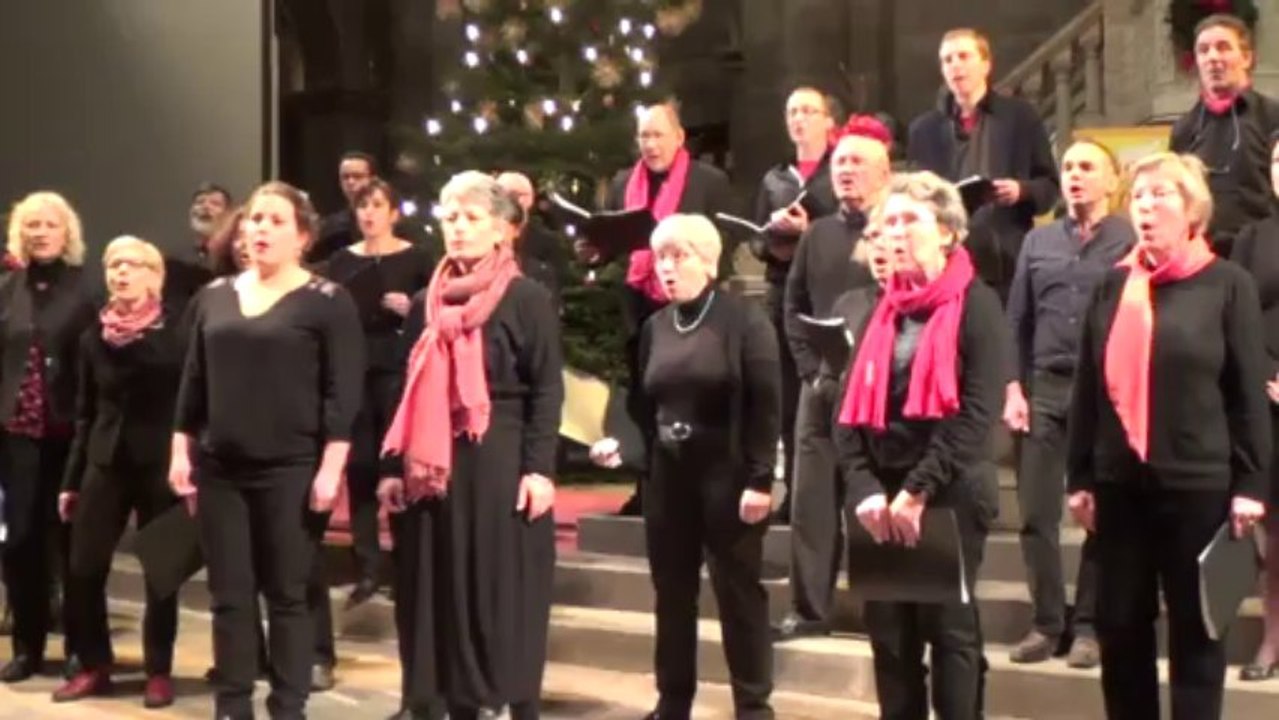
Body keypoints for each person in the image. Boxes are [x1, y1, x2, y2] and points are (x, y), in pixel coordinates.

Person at [1067, 152, 1270, 719]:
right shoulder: (1111, 288)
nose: (1147, 206)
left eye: (1162, 196)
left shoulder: (1227, 284)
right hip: (1120, 485)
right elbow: (1088, 388)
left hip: (1199, 486)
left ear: (1192, 210)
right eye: (1139, 197)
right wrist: (1079, 475)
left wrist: (1251, 482)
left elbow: (1247, 393)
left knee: (1197, 635)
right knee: (1122, 629)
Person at [170, 181, 364, 719]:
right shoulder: (215, 296)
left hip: (292, 470)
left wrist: (332, 468)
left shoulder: (327, 301)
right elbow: (194, 380)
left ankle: (287, 706)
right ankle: (232, 707)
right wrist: (180, 450)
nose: (260, 229)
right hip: (220, 471)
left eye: (276, 221)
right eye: (255, 219)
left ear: (303, 236)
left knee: (287, 595)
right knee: (229, 598)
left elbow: (342, 393)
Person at [378, 171, 563, 720]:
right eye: (450, 217)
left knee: (495, 586)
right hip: (433, 463)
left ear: (502, 230)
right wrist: (391, 466)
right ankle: (442, 699)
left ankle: (500, 697)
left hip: (499, 456)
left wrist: (538, 470)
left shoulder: (527, 298)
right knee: (435, 584)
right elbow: (403, 387)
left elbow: (547, 388)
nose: (457, 228)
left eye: (471, 218)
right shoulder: (423, 304)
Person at [590, 213, 779, 720]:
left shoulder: (743, 320)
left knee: (738, 596)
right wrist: (623, 447)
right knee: (672, 596)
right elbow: (642, 405)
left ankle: (753, 706)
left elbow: (766, 402)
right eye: (662, 258)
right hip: (668, 479)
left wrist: (761, 477)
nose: (668, 269)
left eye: (680, 256)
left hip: (729, 475)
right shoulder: (655, 327)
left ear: (708, 260)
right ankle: (673, 702)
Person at [833, 171, 1005, 720]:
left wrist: (918, 489)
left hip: (947, 491)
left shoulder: (977, 304)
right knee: (889, 639)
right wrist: (862, 486)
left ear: (948, 232)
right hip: (880, 499)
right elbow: (846, 413)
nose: (895, 233)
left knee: (950, 633)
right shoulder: (880, 311)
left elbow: (977, 413)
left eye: (910, 220)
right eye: (888, 223)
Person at [1002, 139, 1136, 668]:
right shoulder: (1038, 244)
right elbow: (1017, 320)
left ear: (1111, 178)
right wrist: (1014, 387)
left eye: (1087, 167)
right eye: (1068, 167)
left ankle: (1088, 626)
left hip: (1105, 394)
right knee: (1036, 514)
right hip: (1046, 388)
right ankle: (1047, 622)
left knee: (1098, 512)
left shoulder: (1129, 238)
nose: (1075, 176)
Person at [583, 102, 734, 516]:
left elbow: (727, 242)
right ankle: (648, 486)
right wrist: (594, 252)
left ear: (679, 137)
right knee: (643, 393)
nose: (650, 144)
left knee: (691, 392)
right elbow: (612, 244)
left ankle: (695, 488)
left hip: (694, 305)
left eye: (658, 135)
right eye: (643, 136)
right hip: (640, 302)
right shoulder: (621, 183)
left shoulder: (708, 181)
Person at [51, 237, 182, 708]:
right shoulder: (92, 337)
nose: (120, 273)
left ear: (153, 275)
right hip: (104, 460)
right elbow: (85, 414)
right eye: (113, 265)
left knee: (159, 572)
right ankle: (94, 664)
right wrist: (70, 480)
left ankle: (159, 670)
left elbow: (189, 404)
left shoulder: (175, 331)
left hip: (159, 461)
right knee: (83, 567)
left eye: (131, 265)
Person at [773, 115, 888, 642]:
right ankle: (810, 609)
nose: (845, 171)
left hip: (880, 388)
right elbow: (793, 306)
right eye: (840, 162)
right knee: (812, 502)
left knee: (871, 499)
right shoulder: (817, 234)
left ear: (884, 172)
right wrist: (807, 367)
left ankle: (880, 613)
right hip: (819, 386)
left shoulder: (897, 230)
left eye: (857, 163)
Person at [0, 191, 97, 683]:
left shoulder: (87, 289)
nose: (40, 232)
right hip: (17, 435)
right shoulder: (6, 288)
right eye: (31, 224)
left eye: (50, 225)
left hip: (70, 435)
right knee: (19, 542)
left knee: (71, 543)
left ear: (67, 233)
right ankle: (27, 648)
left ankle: (80, 648)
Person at [907, 27, 1060, 302]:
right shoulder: (924, 130)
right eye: (947, 59)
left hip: (1005, 261)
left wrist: (1021, 190)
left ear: (986, 64)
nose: (955, 65)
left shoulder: (1019, 118)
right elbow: (912, 197)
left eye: (964, 56)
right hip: (944, 258)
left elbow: (1049, 187)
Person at [751, 86, 841, 523]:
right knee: (787, 398)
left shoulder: (839, 170)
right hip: (782, 290)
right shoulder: (775, 178)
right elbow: (753, 239)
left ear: (828, 120)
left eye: (809, 110)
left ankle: (841, 490)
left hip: (829, 293)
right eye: (792, 111)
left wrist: (811, 231)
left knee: (831, 391)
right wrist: (771, 238)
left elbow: (849, 233)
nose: (799, 118)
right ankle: (796, 493)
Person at [1229, 131, 1279, 682]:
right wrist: (1265, 374)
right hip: (1268, 400)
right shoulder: (1253, 236)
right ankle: (1272, 638)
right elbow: (1238, 319)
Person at [1169, 13, 1279, 256]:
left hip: (1264, 254)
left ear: (1247, 57)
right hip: (1204, 258)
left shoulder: (1271, 117)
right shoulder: (1184, 129)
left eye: (1223, 47)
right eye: (1204, 50)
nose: (1213, 58)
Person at [310, 152, 428, 264]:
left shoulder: (397, 226)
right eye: (345, 177)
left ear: (373, 179)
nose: (350, 182)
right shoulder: (330, 228)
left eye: (358, 176)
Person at [496, 170, 568, 297]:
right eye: (497, 195)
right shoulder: (479, 238)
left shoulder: (548, 242)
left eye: (509, 194)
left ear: (528, 200)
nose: (500, 201)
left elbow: (555, 289)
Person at [165, 182, 233, 314]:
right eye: (199, 202)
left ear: (229, 215)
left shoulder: (235, 259)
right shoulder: (175, 261)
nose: (205, 207)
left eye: (215, 204)